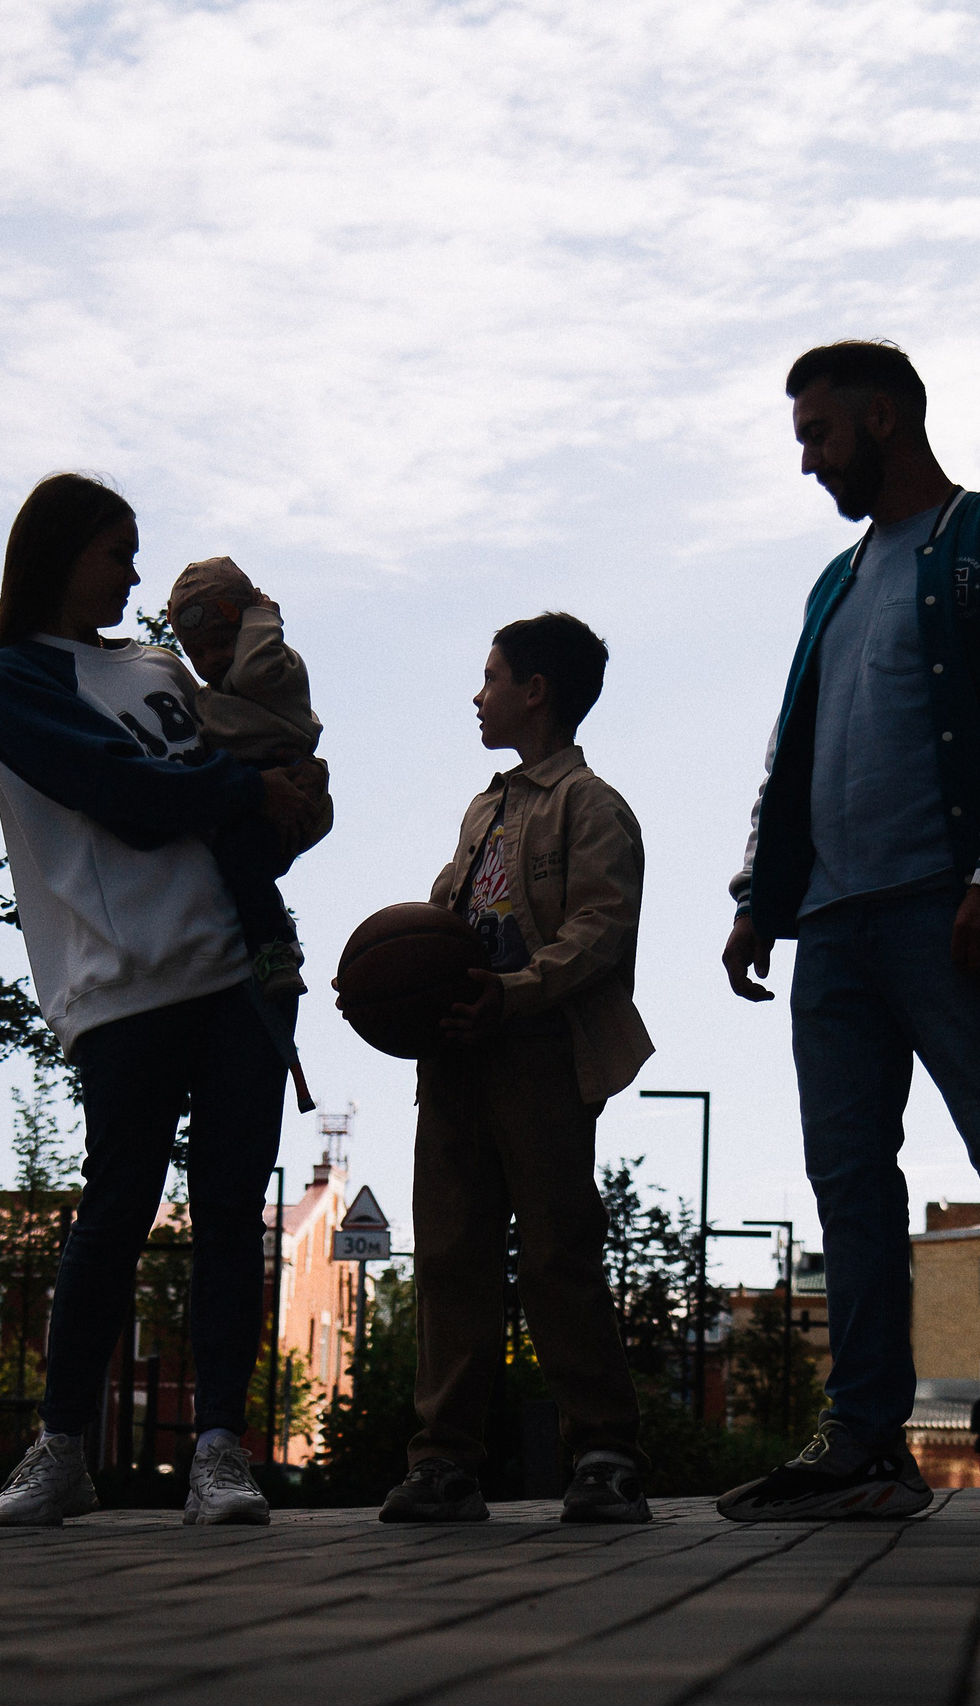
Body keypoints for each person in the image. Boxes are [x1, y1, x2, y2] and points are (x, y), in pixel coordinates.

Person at [714, 342, 980, 1523]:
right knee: (849, 1185)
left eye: (817, 435)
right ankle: (866, 1441)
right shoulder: (833, 585)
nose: (806, 461)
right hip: (835, 929)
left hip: (950, 910)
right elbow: (793, 751)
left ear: (885, 417)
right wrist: (762, 893)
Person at [0, 472, 321, 1528]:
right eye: (118, 549)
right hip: (120, 981)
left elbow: (243, 797)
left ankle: (220, 1448)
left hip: (238, 966)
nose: (135, 573)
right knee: (114, 1209)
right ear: (60, 550)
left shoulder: (161, 665)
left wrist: (289, 804)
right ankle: (63, 1442)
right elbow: (125, 796)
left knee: (227, 1211)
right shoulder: (15, 678)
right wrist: (245, 789)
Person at [377, 613, 654, 1525]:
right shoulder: (483, 810)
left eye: (491, 676)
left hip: (538, 1054)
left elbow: (599, 934)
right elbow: (442, 919)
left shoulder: (591, 805)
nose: (477, 693)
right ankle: (446, 1463)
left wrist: (516, 990)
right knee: (451, 1259)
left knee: (556, 1254)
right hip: (459, 1053)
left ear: (535, 691)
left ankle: (604, 1451)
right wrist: (386, 985)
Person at [167, 554, 333, 1004]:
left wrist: (262, 617)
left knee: (241, 860)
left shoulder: (274, 672)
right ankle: (259, 934)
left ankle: (274, 946)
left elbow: (255, 666)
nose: (210, 660)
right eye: (196, 652)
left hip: (280, 780)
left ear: (247, 631)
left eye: (223, 642)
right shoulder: (214, 695)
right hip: (250, 788)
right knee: (233, 865)